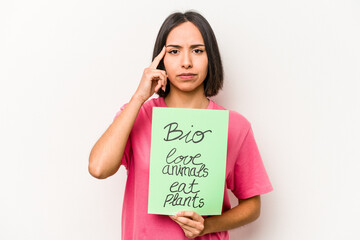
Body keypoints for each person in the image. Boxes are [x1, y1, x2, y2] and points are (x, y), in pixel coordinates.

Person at [89, 10, 273, 240]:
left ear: (210, 58)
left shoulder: (235, 126)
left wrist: (207, 226)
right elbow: (98, 168)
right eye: (174, 52)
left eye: (197, 51)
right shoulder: (139, 116)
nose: (186, 62)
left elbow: (253, 205)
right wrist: (138, 97)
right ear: (160, 59)